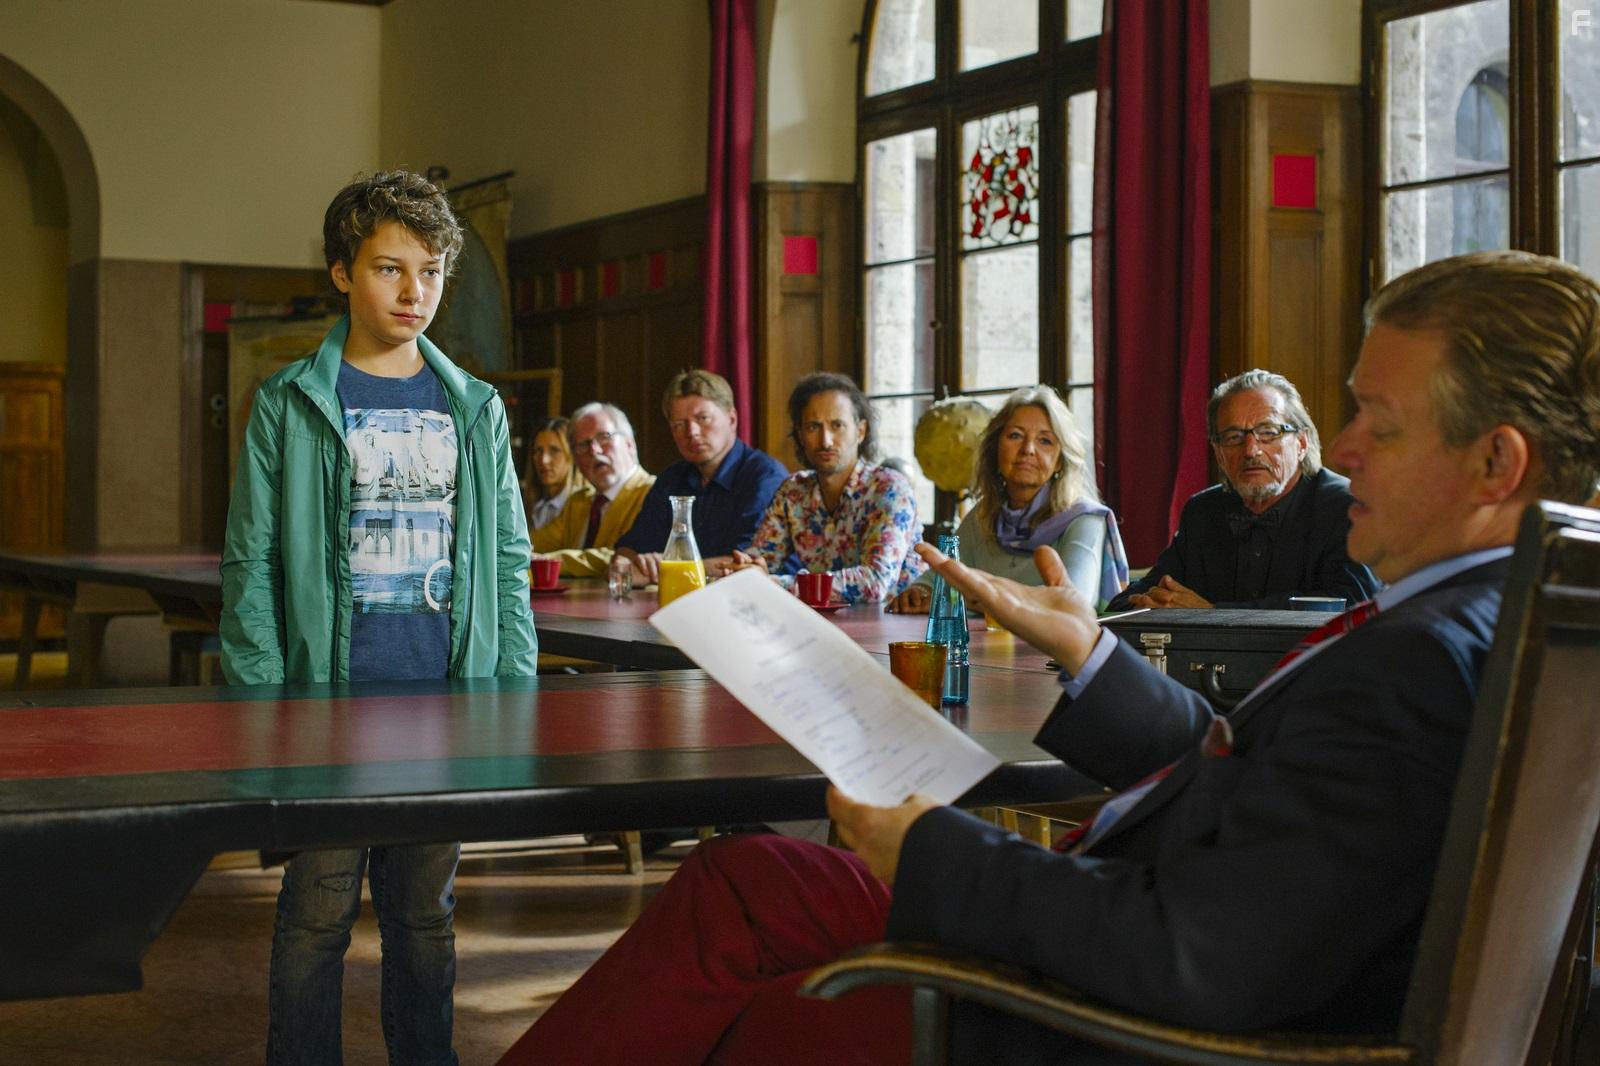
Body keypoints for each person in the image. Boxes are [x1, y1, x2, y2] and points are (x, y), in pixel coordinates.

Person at [497, 250, 1600, 1064]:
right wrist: (1093, 656)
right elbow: (1260, 790)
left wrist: (929, 845)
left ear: (1495, 461)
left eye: (1375, 419)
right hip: (1150, 919)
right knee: (746, 878)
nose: (1338, 447)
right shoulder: (1488, 619)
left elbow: (1199, 960)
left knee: (773, 993)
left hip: (1123, 1018)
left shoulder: (1419, 663)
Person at [221, 170, 538, 1066]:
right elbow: (251, 563)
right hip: (328, 704)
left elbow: (508, 562)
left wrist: (506, 697)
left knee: (425, 919)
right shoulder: (288, 403)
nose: (415, 293)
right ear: (340, 273)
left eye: (432, 272)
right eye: (391, 269)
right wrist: (259, 703)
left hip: (447, 703)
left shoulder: (475, 407)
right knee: (316, 916)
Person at [1106, 369, 1379, 611]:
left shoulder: (1347, 506)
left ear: (1301, 443)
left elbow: (1352, 605)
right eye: (1233, 437)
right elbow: (1143, 595)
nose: (1251, 450)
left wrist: (1213, 614)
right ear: (1218, 451)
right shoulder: (1203, 512)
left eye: (1269, 432)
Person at [890, 385, 1128, 613]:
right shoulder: (984, 516)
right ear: (995, 449)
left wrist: (971, 597)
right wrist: (920, 591)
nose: (1028, 449)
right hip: (991, 651)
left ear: (1059, 460)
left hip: (1056, 653)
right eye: (1015, 436)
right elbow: (939, 578)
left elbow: (1072, 604)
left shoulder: (1085, 520)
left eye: (1045, 440)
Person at [729, 372, 925, 602]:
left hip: (901, 627)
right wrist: (747, 566)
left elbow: (874, 583)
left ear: (860, 431)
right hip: (828, 625)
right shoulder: (793, 490)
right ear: (800, 434)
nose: (826, 441)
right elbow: (762, 558)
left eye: (837, 425)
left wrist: (772, 583)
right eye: (813, 427)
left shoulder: (890, 489)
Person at [611, 369, 788, 585]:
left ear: (732, 419)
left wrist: (667, 569)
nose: (692, 432)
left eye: (703, 418)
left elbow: (746, 564)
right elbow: (627, 550)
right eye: (679, 425)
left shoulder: (765, 477)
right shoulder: (671, 478)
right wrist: (627, 563)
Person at [531, 402, 654, 577]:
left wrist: (545, 562)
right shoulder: (579, 501)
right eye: (583, 445)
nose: (594, 450)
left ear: (629, 444)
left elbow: (622, 556)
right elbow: (537, 542)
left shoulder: (653, 492)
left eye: (604, 437)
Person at [522, 415, 584, 532]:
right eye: (538, 451)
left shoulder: (583, 509)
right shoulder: (532, 508)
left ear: (572, 454)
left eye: (554, 450)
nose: (543, 460)